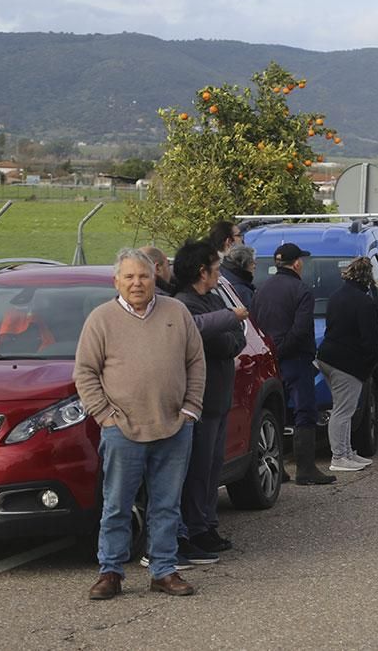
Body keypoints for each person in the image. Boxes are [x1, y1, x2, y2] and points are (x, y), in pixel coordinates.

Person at [75, 248, 205, 600]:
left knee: (167, 504)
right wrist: (104, 416)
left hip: (175, 427)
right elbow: (85, 373)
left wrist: (191, 409)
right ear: (116, 281)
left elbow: (196, 362)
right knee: (117, 504)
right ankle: (111, 571)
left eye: (144, 276)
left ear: (155, 278)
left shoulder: (177, 313)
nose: (137, 283)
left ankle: (163, 570)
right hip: (122, 430)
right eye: (129, 277)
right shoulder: (101, 320)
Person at [170, 240, 248, 563]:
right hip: (200, 403)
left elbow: (237, 338)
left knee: (213, 467)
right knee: (199, 469)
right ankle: (195, 528)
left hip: (219, 399)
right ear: (201, 272)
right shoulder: (186, 304)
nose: (218, 274)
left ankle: (207, 523)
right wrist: (229, 328)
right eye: (215, 269)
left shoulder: (213, 299)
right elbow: (217, 341)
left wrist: (229, 331)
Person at [251, 243, 335, 485]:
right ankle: (306, 468)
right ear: (297, 263)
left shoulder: (261, 289)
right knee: (304, 412)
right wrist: (283, 350)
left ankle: (279, 467)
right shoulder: (301, 291)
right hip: (295, 359)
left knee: (277, 412)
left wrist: (271, 353)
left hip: (269, 361)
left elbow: (254, 324)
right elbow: (300, 330)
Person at [317, 258, 378, 472]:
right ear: (368, 277)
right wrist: (368, 364)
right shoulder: (365, 302)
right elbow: (369, 340)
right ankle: (339, 456)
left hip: (327, 355)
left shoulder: (336, 296)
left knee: (341, 407)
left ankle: (346, 451)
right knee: (344, 411)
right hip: (348, 362)